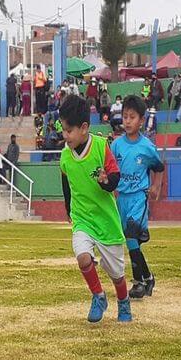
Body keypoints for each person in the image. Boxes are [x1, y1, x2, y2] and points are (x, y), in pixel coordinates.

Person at [59, 95, 132, 323]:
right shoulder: (64, 156)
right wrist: (69, 209)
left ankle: (123, 302)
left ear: (84, 128)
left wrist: (105, 181)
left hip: (106, 221)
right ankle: (98, 296)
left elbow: (115, 177)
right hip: (82, 219)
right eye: (63, 130)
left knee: (117, 275)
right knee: (82, 257)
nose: (65, 135)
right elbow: (66, 182)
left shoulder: (101, 147)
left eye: (68, 131)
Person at [112, 95, 164, 299]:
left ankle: (138, 283)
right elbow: (111, 167)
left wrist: (156, 187)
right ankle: (148, 277)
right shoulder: (116, 145)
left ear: (141, 120)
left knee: (133, 236)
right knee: (130, 241)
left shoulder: (147, 147)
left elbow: (159, 167)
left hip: (138, 198)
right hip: (122, 199)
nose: (127, 121)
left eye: (132, 117)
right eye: (124, 117)